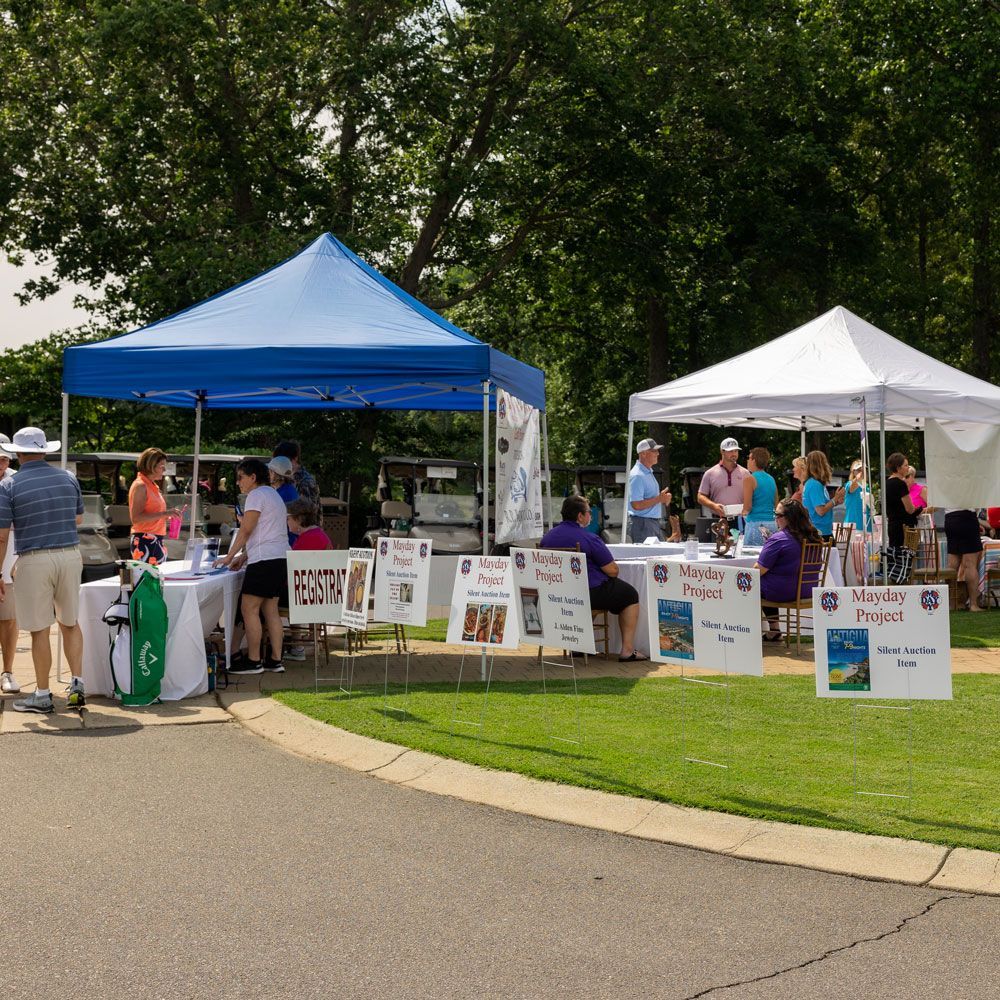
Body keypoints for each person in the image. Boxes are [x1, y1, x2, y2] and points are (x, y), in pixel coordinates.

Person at [0, 427, 85, 713]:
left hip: (34, 557)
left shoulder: (9, 486)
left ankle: (43, 694)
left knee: (39, 629)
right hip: (70, 554)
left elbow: (1, 537)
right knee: (70, 623)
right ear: (45, 450)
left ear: (18, 453)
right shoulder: (68, 477)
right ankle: (77, 684)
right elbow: (78, 518)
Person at [541, 495, 645, 662]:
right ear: (580, 516)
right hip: (586, 593)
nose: (591, 515)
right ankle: (627, 650)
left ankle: (579, 644)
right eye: (589, 512)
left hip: (557, 594)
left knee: (595, 594)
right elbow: (612, 570)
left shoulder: (547, 538)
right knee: (630, 595)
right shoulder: (588, 538)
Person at [218, 457, 289, 674]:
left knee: (248, 608)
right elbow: (268, 533)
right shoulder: (274, 495)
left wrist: (229, 557)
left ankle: (254, 660)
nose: (238, 482)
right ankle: (275, 661)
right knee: (271, 610)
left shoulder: (256, 495)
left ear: (253, 477)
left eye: (240, 478)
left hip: (265, 561)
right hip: (279, 557)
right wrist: (245, 556)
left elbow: (247, 529)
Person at [755, 498, 823, 641]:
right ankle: (774, 630)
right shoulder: (814, 538)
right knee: (764, 583)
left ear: (790, 518)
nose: (775, 518)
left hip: (784, 592)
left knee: (750, 584)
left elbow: (757, 571)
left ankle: (742, 631)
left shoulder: (778, 539)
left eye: (778, 515)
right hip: (809, 590)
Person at [128, 447, 170, 565]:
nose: (164, 469)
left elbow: (152, 513)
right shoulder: (140, 486)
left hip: (154, 538)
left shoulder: (151, 485)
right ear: (151, 466)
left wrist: (166, 516)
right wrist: (165, 514)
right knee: (150, 581)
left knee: (155, 581)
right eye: (162, 466)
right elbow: (136, 518)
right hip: (145, 539)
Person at [626, 438, 672, 542]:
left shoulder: (646, 472)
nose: (658, 453)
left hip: (648, 523)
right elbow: (636, 505)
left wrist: (662, 498)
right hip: (643, 524)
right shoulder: (638, 475)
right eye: (654, 451)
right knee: (647, 557)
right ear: (643, 454)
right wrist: (659, 499)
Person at [0, 434, 18, 694]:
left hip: (9, 557)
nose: (0, 464)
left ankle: (8, 671)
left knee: (8, 618)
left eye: (3, 458)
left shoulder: (16, 481)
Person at [697, 437, 749, 524]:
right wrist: (713, 506)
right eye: (730, 451)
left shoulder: (746, 473)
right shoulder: (710, 473)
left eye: (736, 451)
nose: (734, 454)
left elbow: (753, 496)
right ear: (722, 451)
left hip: (741, 520)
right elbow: (700, 497)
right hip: (718, 520)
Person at [944, 507, 984, 612]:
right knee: (970, 565)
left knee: (952, 565)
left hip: (950, 519)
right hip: (968, 517)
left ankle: (952, 604)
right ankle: (973, 605)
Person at [801, 450, 844, 541]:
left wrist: (835, 502)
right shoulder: (814, 484)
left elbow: (821, 506)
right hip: (819, 533)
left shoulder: (814, 483)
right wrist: (835, 499)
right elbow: (820, 511)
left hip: (820, 531)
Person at [741, 447, 778, 546]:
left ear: (754, 460)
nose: (747, 461)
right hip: (771, 524)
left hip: (755, 524)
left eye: (749, 458)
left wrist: (740, 512)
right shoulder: (771, 479)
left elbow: (747, 507)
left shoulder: (749, 479)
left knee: (752, 558)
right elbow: (776, 504)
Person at [273, 440, 320, 513]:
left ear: (295, 458)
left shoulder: (306, 481)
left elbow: (308, 512)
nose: (280, 463)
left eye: (284, 460)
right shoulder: (282, 477)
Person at [843, 459, 872, 531]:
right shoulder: (849, 484)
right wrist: (857, 478)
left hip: (866, 524)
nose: (862, 472)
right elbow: (851, 488)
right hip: (853, 525)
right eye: (859, 470)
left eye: (864, 470)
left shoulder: (867, 486)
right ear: (853, 472)